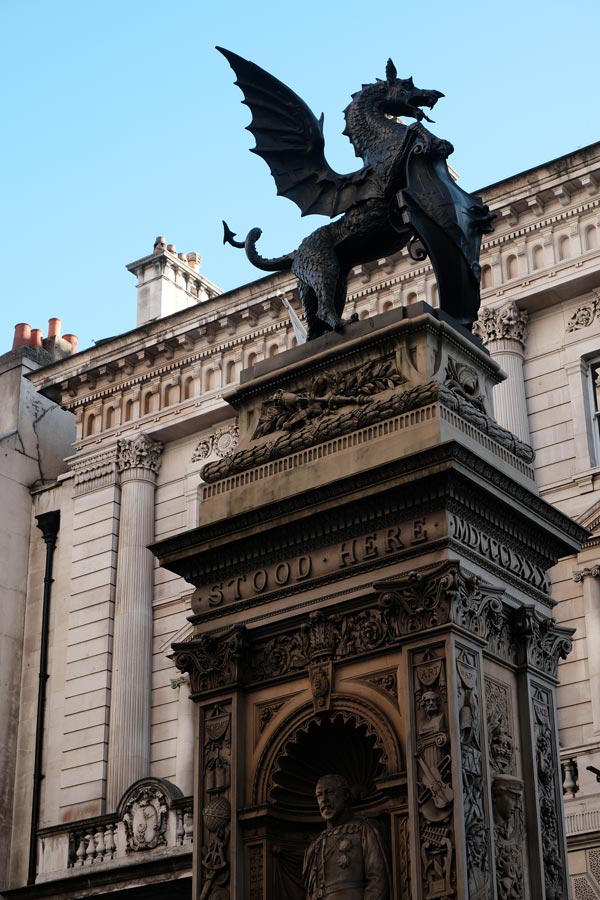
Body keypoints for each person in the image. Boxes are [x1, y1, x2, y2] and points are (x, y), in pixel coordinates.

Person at [302, 774, 390, 900]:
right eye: (319, 795)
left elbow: (377, 879)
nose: (324, 800)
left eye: (329, 792)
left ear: (346, 795)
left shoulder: (363, 830)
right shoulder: (314, 845)